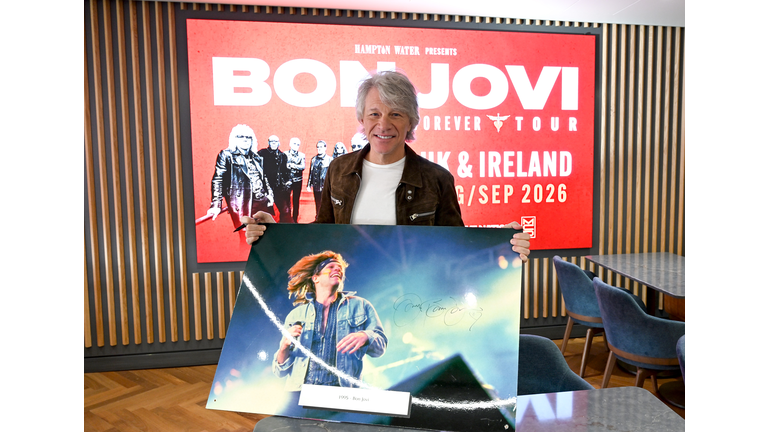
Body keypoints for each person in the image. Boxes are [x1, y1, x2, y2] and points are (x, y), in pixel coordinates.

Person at [241, 71, 531, 260]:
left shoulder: (437, 179)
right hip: (349, 288)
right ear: (362, 119)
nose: (383, 124)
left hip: (414, 296)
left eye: (395, 114)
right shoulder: (339, 170)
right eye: (374, 113)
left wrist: (501, 242)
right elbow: (322, 231)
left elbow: (455, 245)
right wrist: (275, 231)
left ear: (411, 122)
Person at [272, 251, 387, 391]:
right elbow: (279, 371)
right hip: (299, 393)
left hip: (341, 393)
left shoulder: (361, 306)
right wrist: (283, 346)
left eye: (340, 268)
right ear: (315, 278)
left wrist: (366, 336)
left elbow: (380, 348)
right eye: (331, 267)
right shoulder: (296, 315)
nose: (337, 269)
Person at [207, 124, 274, 237]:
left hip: (263, 203)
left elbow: (264, 178)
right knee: (248, 239)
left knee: (267, 237)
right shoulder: (227, 155)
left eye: (248, 137)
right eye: (241, 136)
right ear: (234, 139)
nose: (245, 140)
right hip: (243, 203)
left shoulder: (256, 157)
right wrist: (216, 205)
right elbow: (218, 180)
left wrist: (270, 194)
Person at [258, 135, 293, 222]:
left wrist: (288, 181)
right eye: (272, 141)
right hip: (265, 188)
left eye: (276, 141)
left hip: (279, 188)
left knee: (285, 211)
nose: (274, 143)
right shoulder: (262, 153)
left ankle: (284, 230)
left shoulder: (283, 155)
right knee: (264, 212)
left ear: (279, 143)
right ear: (268, 142)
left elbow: (285, 171)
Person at [307, 140, 331, 217]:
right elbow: (311, 172)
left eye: (321, 147)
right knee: (317, 203)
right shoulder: (314, 159)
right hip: (316, 186)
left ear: (325, 148)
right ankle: (318, 217)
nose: (319, 148)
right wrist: (309, 184)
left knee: (326, 203)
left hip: (325, 186)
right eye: (318, 147)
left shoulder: (330, 159)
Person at [285, 137, 306, 223]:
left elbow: (303, 167)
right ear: (290, 144)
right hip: (287, 181)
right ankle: (287, 217)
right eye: (294, 144)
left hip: (298, 181)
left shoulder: (302, 155)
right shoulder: (285, 154)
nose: (296, 146)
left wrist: (292, 165)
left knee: (296, 200)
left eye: (298, 144)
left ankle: (295, 219)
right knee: (286, 200)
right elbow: (284, 166)